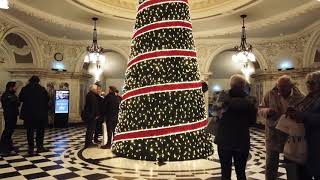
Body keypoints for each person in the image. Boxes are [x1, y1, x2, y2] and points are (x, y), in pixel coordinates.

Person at [258, 75, 304, 180]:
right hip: (273, 134)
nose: (280, 90)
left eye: (284, 87)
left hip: (290, 135)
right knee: (271, 163)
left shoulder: (300, 97)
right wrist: (267, 111)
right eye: (279, 87)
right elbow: (260, 108)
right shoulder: (270, 94)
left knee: (291, 163)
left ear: (291, 86)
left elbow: (304, 114)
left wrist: (296, 115)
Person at [214, 74, 257, 180]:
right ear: (243, 85)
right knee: (241, 172)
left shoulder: (222, 97)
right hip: (241, 140)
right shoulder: (250, 100)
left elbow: (215, 114)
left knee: (225, 173)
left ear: (231, 84)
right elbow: (252, 122)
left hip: (224, 140)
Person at [285, 71, 320, 179]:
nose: (309, 85)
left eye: (312, 82)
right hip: (304, 141)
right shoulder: (308, 97)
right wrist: (293, 111)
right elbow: (303, 112)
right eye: (307, 82)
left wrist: (303, 116)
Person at [19, 76, 49, 155]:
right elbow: (47, 99)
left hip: (28, 114)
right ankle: (40, 147)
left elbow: (21, 98)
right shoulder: (42, 89)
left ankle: (31, 148)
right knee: (40, 131)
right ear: (38, 81)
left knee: (30, 131)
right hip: (40, 114)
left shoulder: (25, 89)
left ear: (30, 81)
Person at [0, 81, 20, 154]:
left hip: (12, 114)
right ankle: (4, 148)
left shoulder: (11, 94)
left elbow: (17, 102)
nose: (16, 88)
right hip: (9, 115)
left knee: (10, 131)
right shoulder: (7, 95)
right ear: (11, 87)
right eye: (15, 87)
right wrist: (16, 100)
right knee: (8, 131)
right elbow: (17, 102)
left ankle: (8, 146)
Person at [83, 84, 100, 148]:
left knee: (90, 130)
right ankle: (88, 143)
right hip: (92, 116)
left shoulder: (90, 94)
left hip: (91, 115)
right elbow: (93, 107)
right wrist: (95, 115)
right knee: (90, 130)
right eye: (96, 89)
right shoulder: (91, 96)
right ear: (93, 89)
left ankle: (89, 142)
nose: (97, 90)